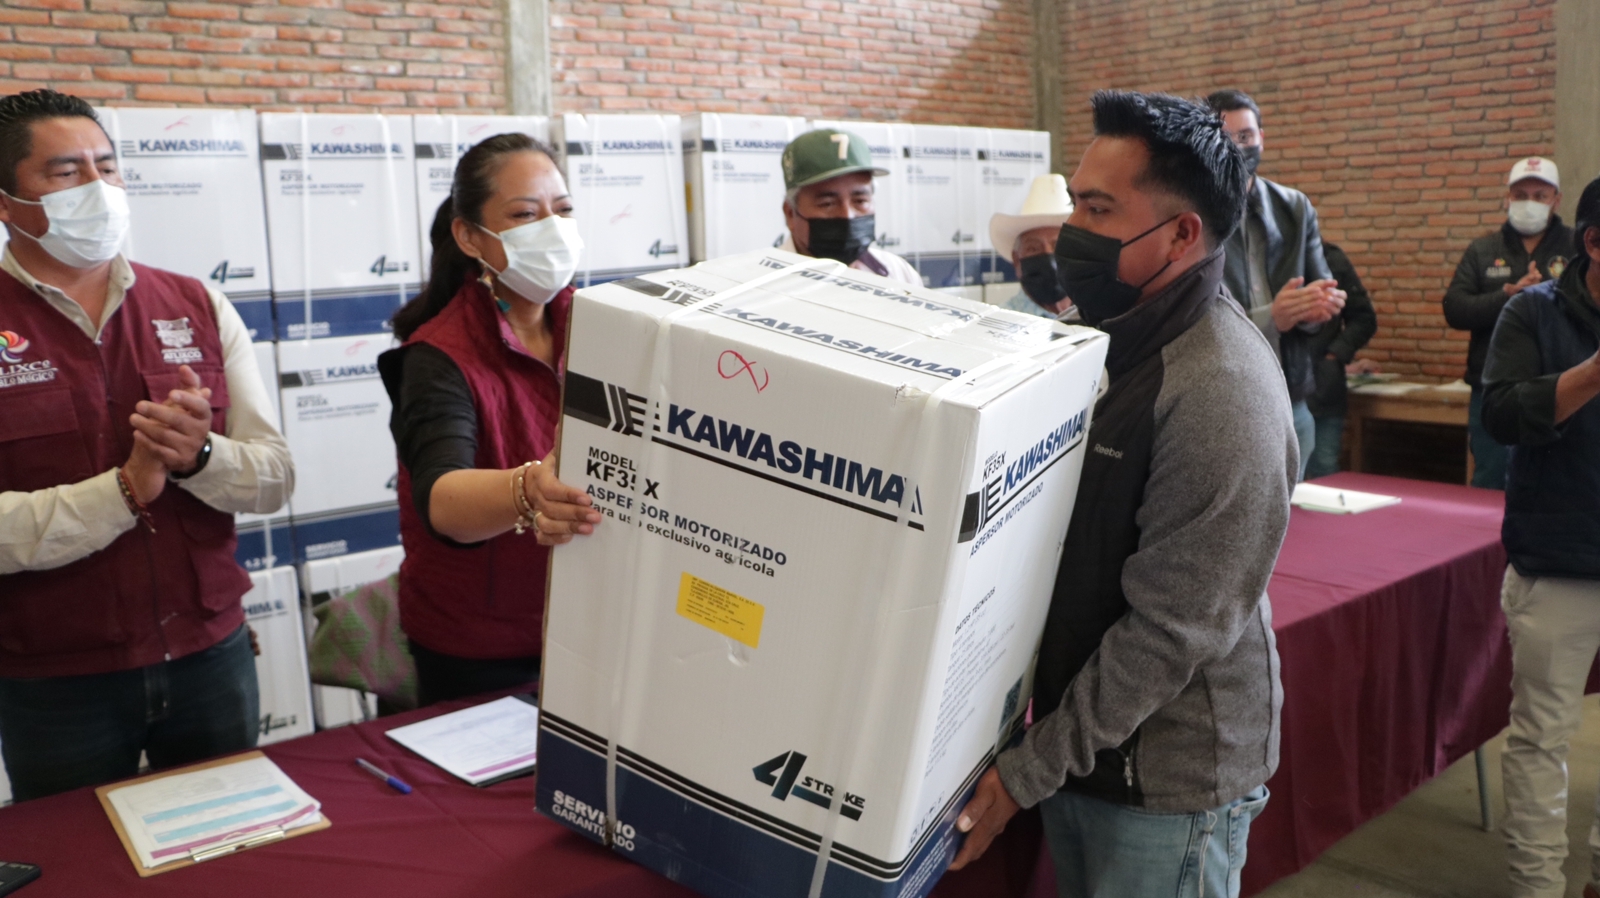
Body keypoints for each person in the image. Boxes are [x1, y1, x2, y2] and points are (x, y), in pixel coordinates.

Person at [947, 90, 1297, 897]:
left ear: (1181, 235)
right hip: (1084, 749)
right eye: (1075, 201)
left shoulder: (1221, 391)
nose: (1073, 231)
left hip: (1162, 781)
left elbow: (1171, 631)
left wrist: (1030, 769)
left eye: (1098, 210)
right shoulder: (1101, 339)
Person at [0, 89, 293, 801]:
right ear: (7, 203)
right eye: (65, 172)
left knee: (232, 846)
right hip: (56, 684)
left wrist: (200, 457)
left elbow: (274, 478)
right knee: (74, 858)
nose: (97, 187)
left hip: (210, 656)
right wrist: (123, 492)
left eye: (107, 166)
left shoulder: (196, 304)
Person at [379, 132, 599, 707]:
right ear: (470, 237)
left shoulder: (599, 327)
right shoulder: (438, 357)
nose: (553, 229)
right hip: (481, 654)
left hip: (588, 630)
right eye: (525, 215)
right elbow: (443, 501)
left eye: (563, 210)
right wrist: (531, 489)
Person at [1482, 172, 1600, 898]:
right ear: (1594, 243)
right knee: (1542, 738)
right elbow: (1500, 416)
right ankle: (1537, 889)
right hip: (1559, 562)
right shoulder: (1532, 312)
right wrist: (1591, 376)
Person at [1209, 89, 1346, 481]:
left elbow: (1319, 287)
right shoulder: (1195, 212)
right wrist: (1272, 317)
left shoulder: (1295, 207)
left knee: (1296, 513)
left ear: (1262, 138)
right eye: (1226, 137)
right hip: (1226, 398)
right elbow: (1195, 312)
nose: (1239, 147)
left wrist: (1316, 308)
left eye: (1246, 136)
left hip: (1291, 395)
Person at [1445, 156, 1571, 490]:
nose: (1530, 203)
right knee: (1491, 480)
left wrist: (1545, 298)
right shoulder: (1483, 250)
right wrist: (1508, 295)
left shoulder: (1576, 247)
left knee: (1560, 485)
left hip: (1561, 388)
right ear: (1508, 198)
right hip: (1494, 390)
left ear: (1556, 200)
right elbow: (1455, 308)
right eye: (1521, 195)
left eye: (1540, 196)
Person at [777, 128, 920, 286]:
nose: (847, 215)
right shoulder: (760, 285)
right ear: (790, 213)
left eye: (860, 201)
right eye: (827, 204)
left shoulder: (900, 274)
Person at [1304, 241, 1378, 479]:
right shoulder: (1264, 250)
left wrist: (1335, 353)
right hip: (1279, 384)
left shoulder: (1331, 257)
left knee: (1324, 470)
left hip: (1324, 384)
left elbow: (1364, 318)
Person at [990, 173, 1075, 319]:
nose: (1050, 260)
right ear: (1017, 260)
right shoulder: (999, 323)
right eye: (1033, 248)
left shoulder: (1100, 318)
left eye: (1058, 245)